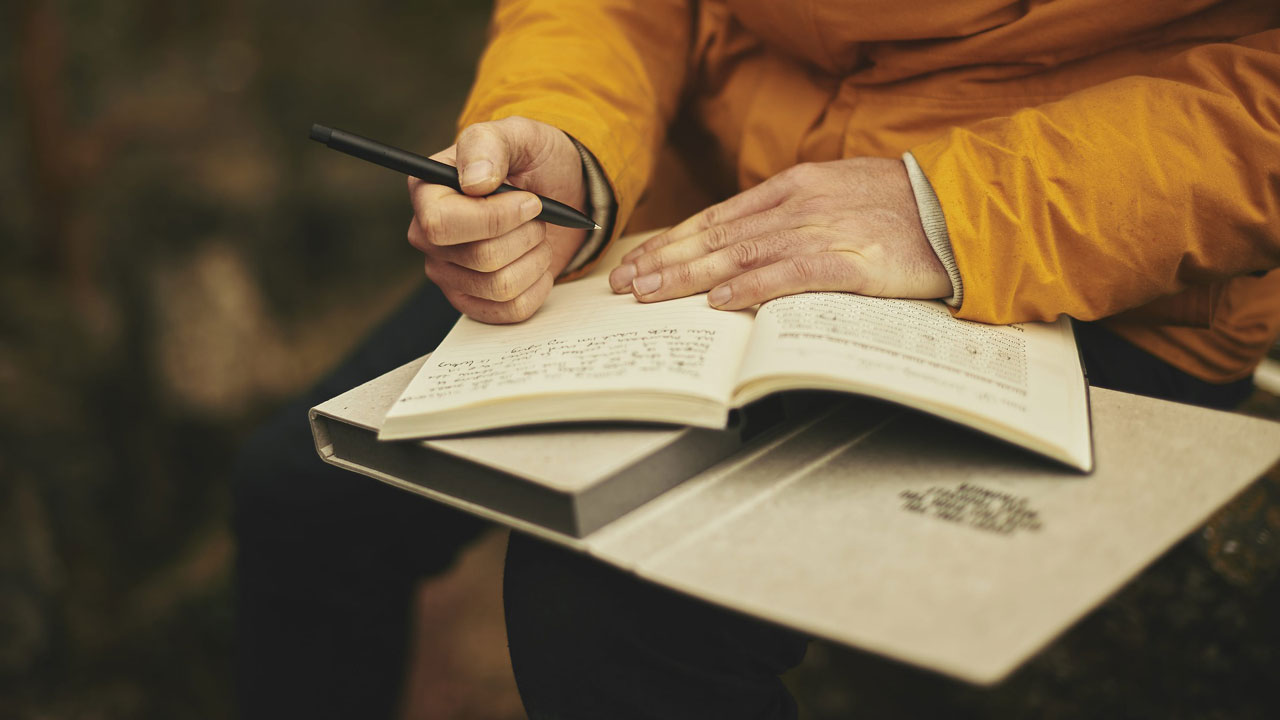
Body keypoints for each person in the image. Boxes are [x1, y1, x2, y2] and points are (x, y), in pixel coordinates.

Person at [235, 1, 1280, 717]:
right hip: (707, 208)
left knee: (604, 605)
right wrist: (571, 137)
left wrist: (953, 213)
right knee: (304, 490)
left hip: (1085, 254)